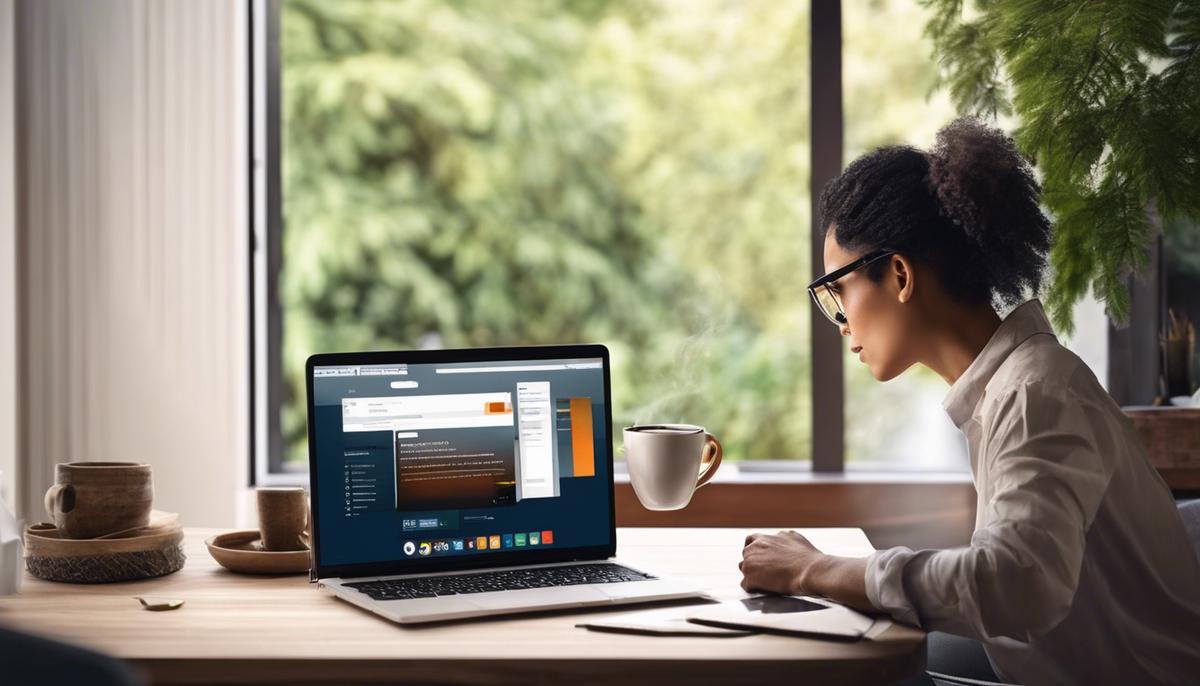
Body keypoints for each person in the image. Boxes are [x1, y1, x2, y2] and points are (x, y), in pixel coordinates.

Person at [738, 118, 1200, 684]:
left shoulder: (1035, 394)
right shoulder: (1016, 386)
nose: (840, 322)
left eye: (839, 292)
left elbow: (1016, 585)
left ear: (900, 275)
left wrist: (815, 570)